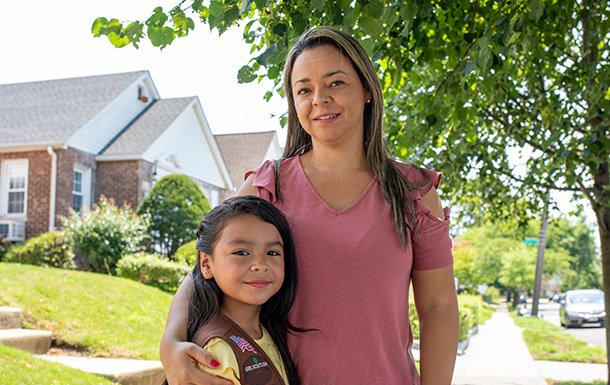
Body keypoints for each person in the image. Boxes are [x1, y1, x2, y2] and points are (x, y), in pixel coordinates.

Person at [160, 26, 459, 385]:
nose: (319, 99)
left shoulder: (413, 191)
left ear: (366, 89)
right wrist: (170, 347)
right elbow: (204, 268)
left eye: (335, 83)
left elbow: (438, 307)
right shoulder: (266, 185)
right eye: (304, 89)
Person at [167, 195, 301, 385]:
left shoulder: (269, 330)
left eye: (272, 253)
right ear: (206, 263)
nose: (260, 265)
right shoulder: (218, 350)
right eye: (241, 252)